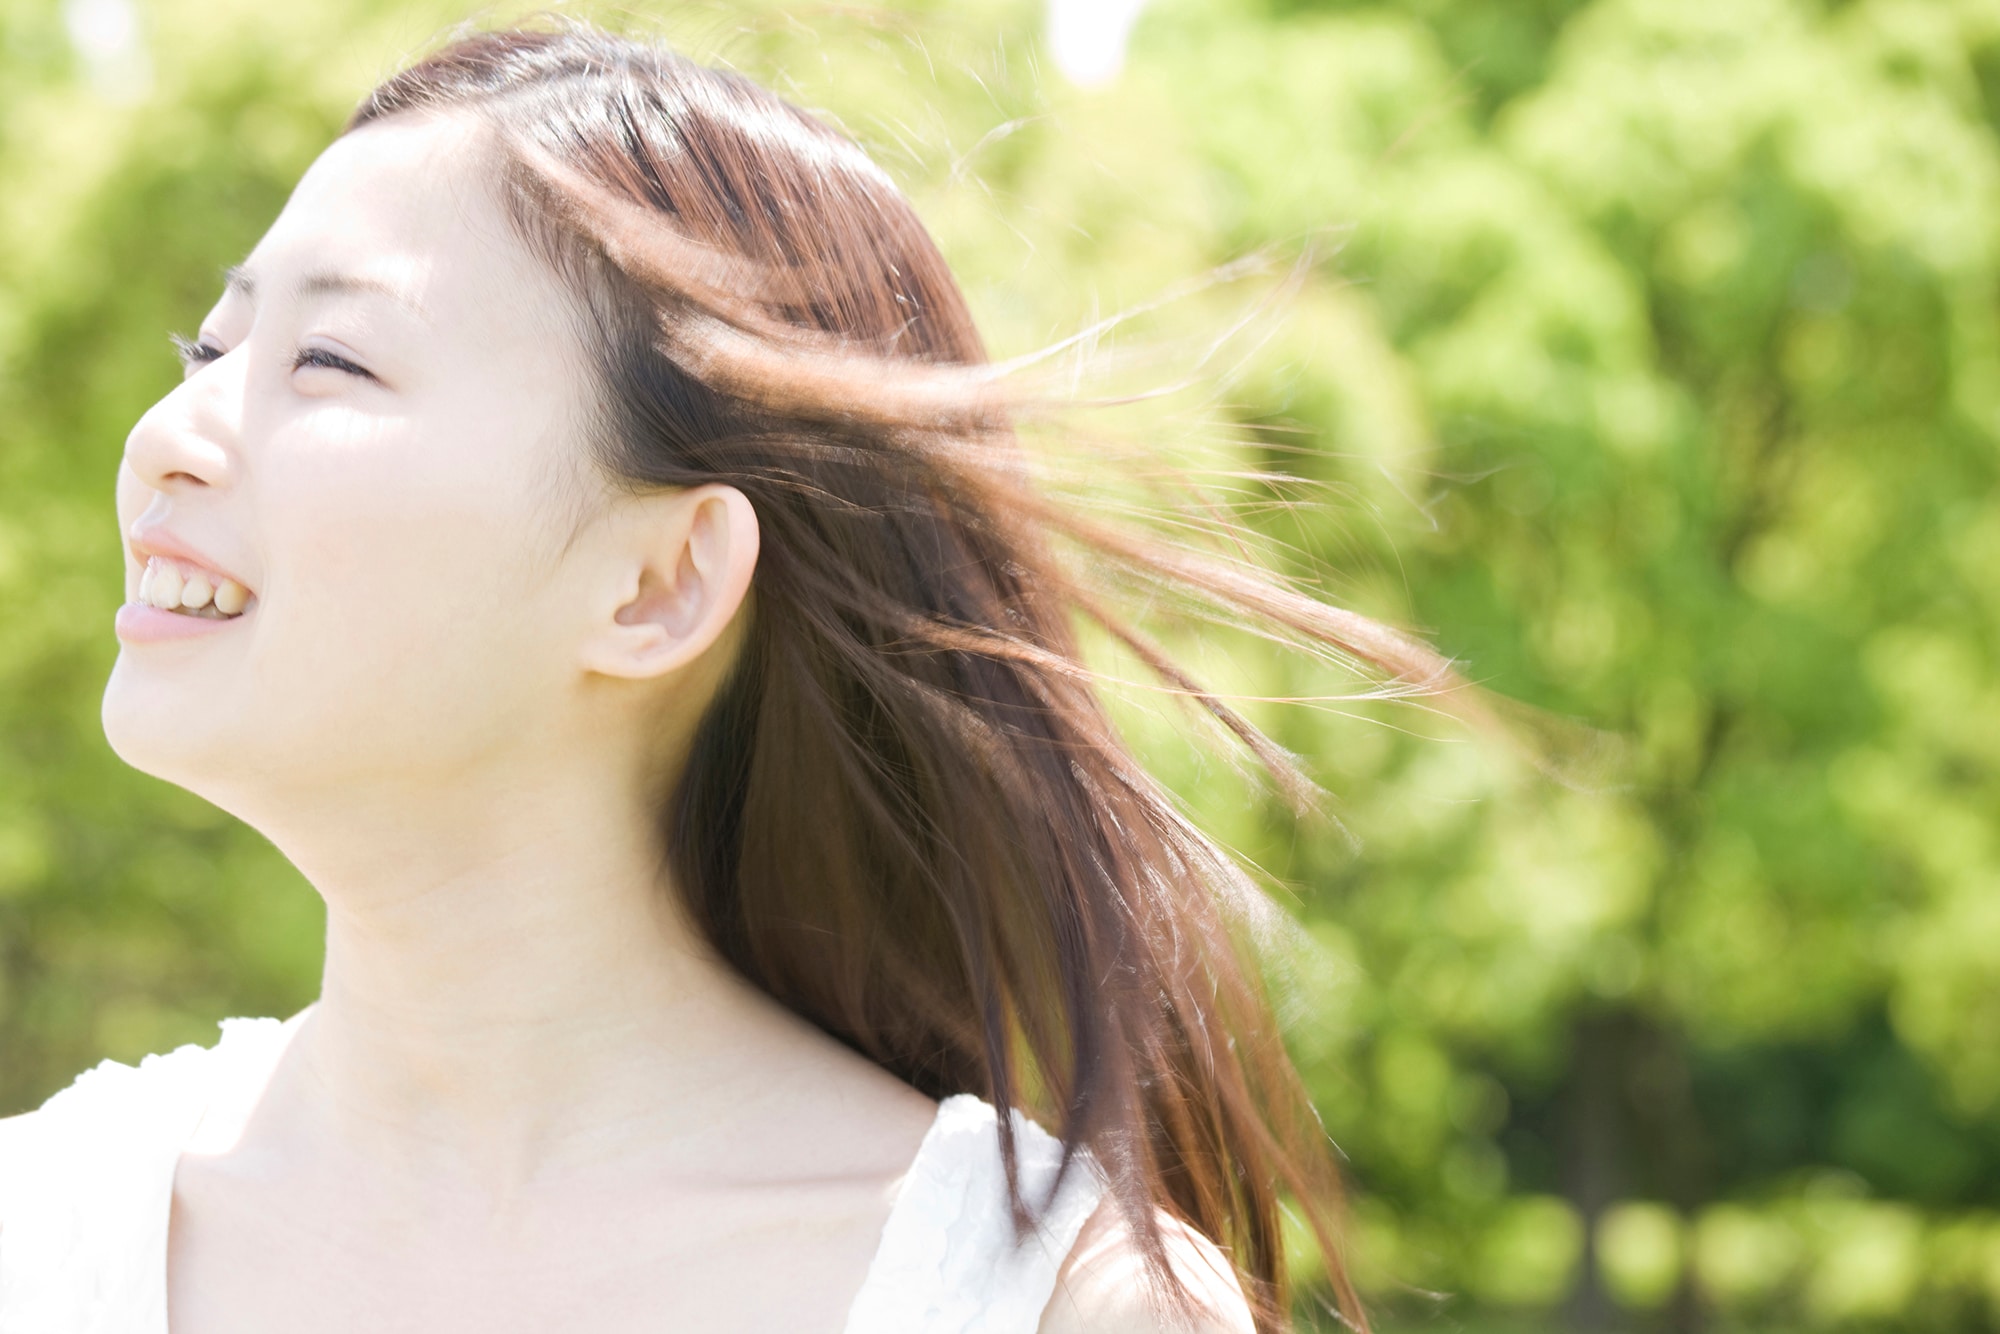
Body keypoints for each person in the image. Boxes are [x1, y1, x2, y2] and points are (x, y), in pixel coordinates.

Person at [0, 22, 1456, 1333]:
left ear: (660, 581)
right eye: (213, 339)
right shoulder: (49, 1230)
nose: (166, 432)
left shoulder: (1051, 1304)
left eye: (329, 360)